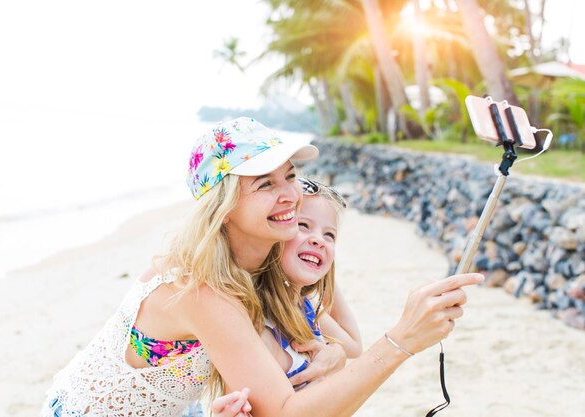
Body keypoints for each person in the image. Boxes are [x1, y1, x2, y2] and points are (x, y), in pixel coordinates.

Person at [41, 117, 483, 417]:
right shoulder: (200, 288)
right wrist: (403, 339)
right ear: (224, 207)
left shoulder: (266, 258)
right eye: (265, 184)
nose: (289, 194)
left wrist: (326, 351)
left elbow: (338, 344)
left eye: (290, 176)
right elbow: (286, 412)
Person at [257, 178, 362, 390]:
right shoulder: (260, 320)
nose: (319, 240)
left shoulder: (302, 307)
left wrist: (323, 270)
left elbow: (353, 347)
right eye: (303, 225)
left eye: (329, 235)